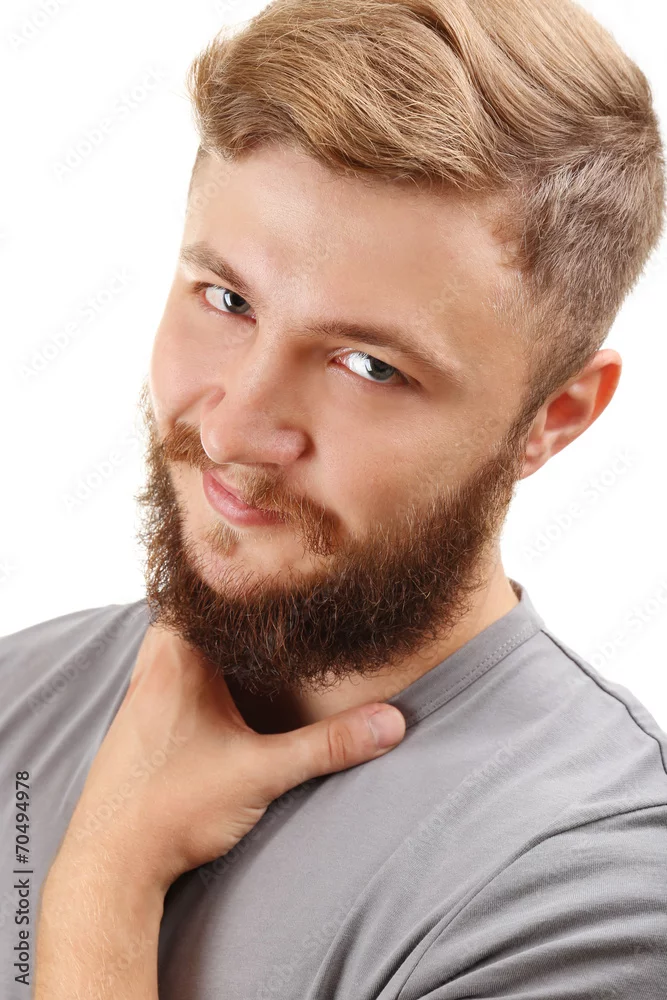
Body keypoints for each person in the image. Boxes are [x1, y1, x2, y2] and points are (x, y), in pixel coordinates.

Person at [1, 0, 665, 996]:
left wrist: (105, 880)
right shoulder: (18, 695)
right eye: (227, 301)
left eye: (368, 364)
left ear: (553, 417)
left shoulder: (595, 887)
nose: (233, 429)